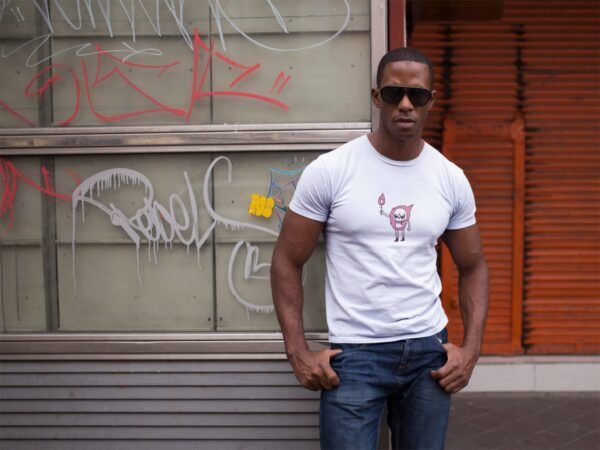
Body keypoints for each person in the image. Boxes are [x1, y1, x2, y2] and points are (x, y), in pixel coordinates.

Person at [271, 47, 489, 450]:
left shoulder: (450, 178)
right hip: (355, 355)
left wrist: (471, 350)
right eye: (393, 93)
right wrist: (297, 352)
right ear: (377, 97)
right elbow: (286, 259)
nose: (405, 104)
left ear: (430, 101)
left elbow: (473, 266)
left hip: (428, 352)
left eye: (416, 95)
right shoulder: (331, 171)